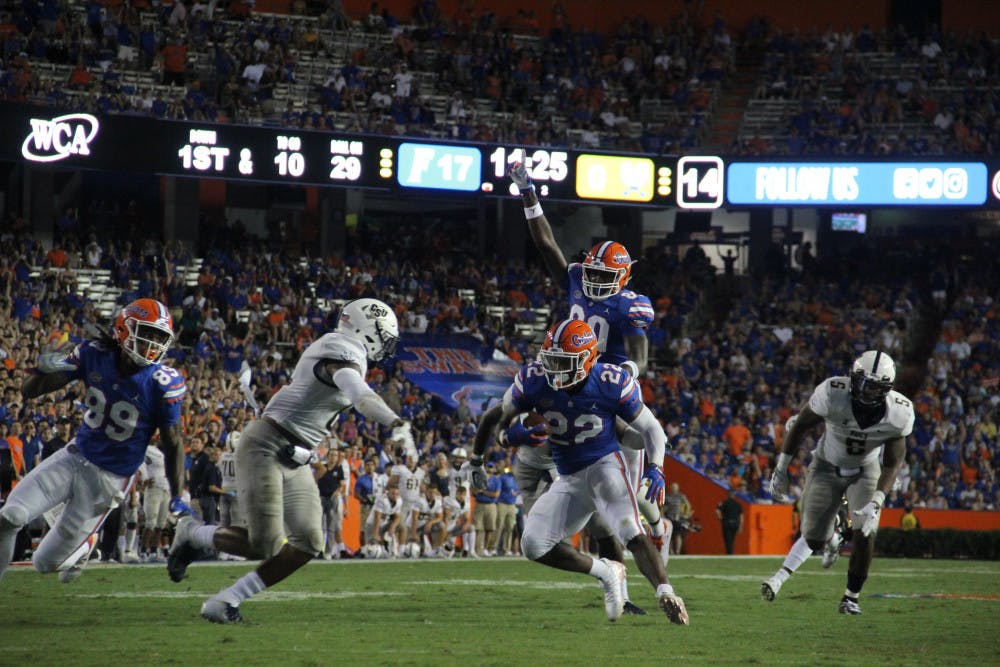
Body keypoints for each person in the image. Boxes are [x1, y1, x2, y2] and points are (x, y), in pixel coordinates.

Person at [166, 298, 415, 623]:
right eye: (383, 336)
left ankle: (226, 601)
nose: (386, 346)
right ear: (366, 329)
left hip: (294, 455)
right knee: (264, 543)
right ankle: (191, 532)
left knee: (309, 541)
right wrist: (396, 422)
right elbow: (360, 395)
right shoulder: (341, 349)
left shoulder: (346, 352)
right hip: (267, 444)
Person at [473, 319, 687, 624]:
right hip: (570, 478)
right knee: (533, 544)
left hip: (605, 468)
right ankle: (606, 571)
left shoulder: (611, 382)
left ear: (587, 360)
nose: (555, 368)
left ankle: (666, 592)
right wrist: (512, 436)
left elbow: (651, 428)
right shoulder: (534, 380)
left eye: (563, 361)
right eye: (552, 359)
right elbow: (500, 423)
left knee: (630, 531)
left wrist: (656, 467)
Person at [509, 161, 670, 566]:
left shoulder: (633, 306)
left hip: (607, 387)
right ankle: (615, 571)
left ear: (624, 278)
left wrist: (619, 380)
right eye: (592, 271)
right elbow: (547, 245)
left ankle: (656, 523)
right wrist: (529, 193)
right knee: (600, 509)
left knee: (623, 499)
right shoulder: (578, 277)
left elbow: (639, 357)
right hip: (568, 376)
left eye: (604, 274)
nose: (594, 279)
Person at [0, 298, 186, 586]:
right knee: (9, 516)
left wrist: (177, 493)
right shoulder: (94, 354)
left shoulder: (162, 382)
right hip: (74, 456)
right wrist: (44, 369)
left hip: (107, 481)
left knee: (43, 563)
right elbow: (28, 392)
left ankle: (87, 545)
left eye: (158, 338)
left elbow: (174, 444)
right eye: (146, 333)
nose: (151, 343)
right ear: (124, 329)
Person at [764, 350, 914, 615]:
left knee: (866, 533)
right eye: (863, 384)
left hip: (866, 469)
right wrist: (781, 468)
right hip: (825, 465)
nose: (867, 392)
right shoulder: (833, 392)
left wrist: (878, 501)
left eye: (874, 388)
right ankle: (833, 533)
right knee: (813, 538)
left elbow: (892, 463)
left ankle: (851, 597)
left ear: (886, 390)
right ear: (853, 378)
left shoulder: (898, 413)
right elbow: (799, 425)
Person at [716, 488, 743, 555]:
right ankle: (730, 553)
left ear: (728, 494)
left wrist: (721, 519)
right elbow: (741, 516)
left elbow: (717, 511)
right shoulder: (738, 504)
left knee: (728, 540)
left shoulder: (724, 503)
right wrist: (740, 526)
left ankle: (729, 554)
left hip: (727, 523)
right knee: (732, 540)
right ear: (734, 495)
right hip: (735, 524)